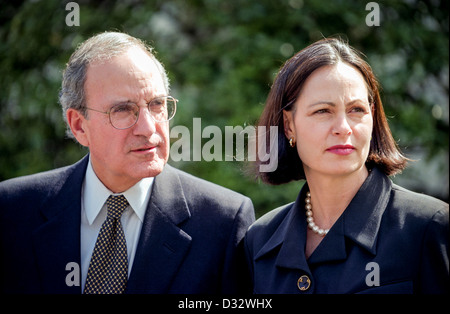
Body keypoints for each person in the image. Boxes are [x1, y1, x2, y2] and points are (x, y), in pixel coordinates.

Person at [0, 31, 255, 294]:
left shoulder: (223, 223)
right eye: (122, 110)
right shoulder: (12, 211)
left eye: (157, 105)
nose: (148, 128)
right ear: (79, 126)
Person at [245, 37, 449, 294]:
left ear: (372, 117)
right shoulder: (260, 240)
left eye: (356, 110)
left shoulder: (427, 227)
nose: (343, 128)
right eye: (323, 111)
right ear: (288, 126)